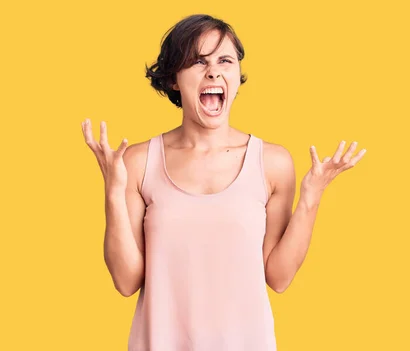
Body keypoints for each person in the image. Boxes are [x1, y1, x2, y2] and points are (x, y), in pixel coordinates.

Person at [81, 14, 366, 351]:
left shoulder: (272, 163)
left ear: (236, 75)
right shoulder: (140, 162)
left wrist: (311, 197)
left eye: (224, 60)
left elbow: (279, 277)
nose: (213, 71)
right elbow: (126, 281)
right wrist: (113, 192)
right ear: (174, 80)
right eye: (197, 62)